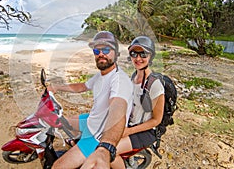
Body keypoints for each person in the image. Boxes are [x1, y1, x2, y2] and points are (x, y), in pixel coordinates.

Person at [48, 31, 133, 169]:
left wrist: (106, 146)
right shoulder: (101, 75)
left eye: (106, 49)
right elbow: (82, 86)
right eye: (96, 50)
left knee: (57, 167)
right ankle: (77, 145)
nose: (101, 53)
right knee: (62, 122)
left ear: (116, 54)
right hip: (91, 121)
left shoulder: (119, 81)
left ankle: (85, 151)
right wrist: (56, 87)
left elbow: (118, 110)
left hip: (98, 135)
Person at [110, 36, 165, 169]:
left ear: (150, 56)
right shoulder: (133, 77)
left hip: (145, 131)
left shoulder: (155, 85)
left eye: (143, 54)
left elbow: (156, 120)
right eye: (134, 54)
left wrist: (129, 131)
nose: (138, 58)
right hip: (129, 126)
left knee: (108, 152)